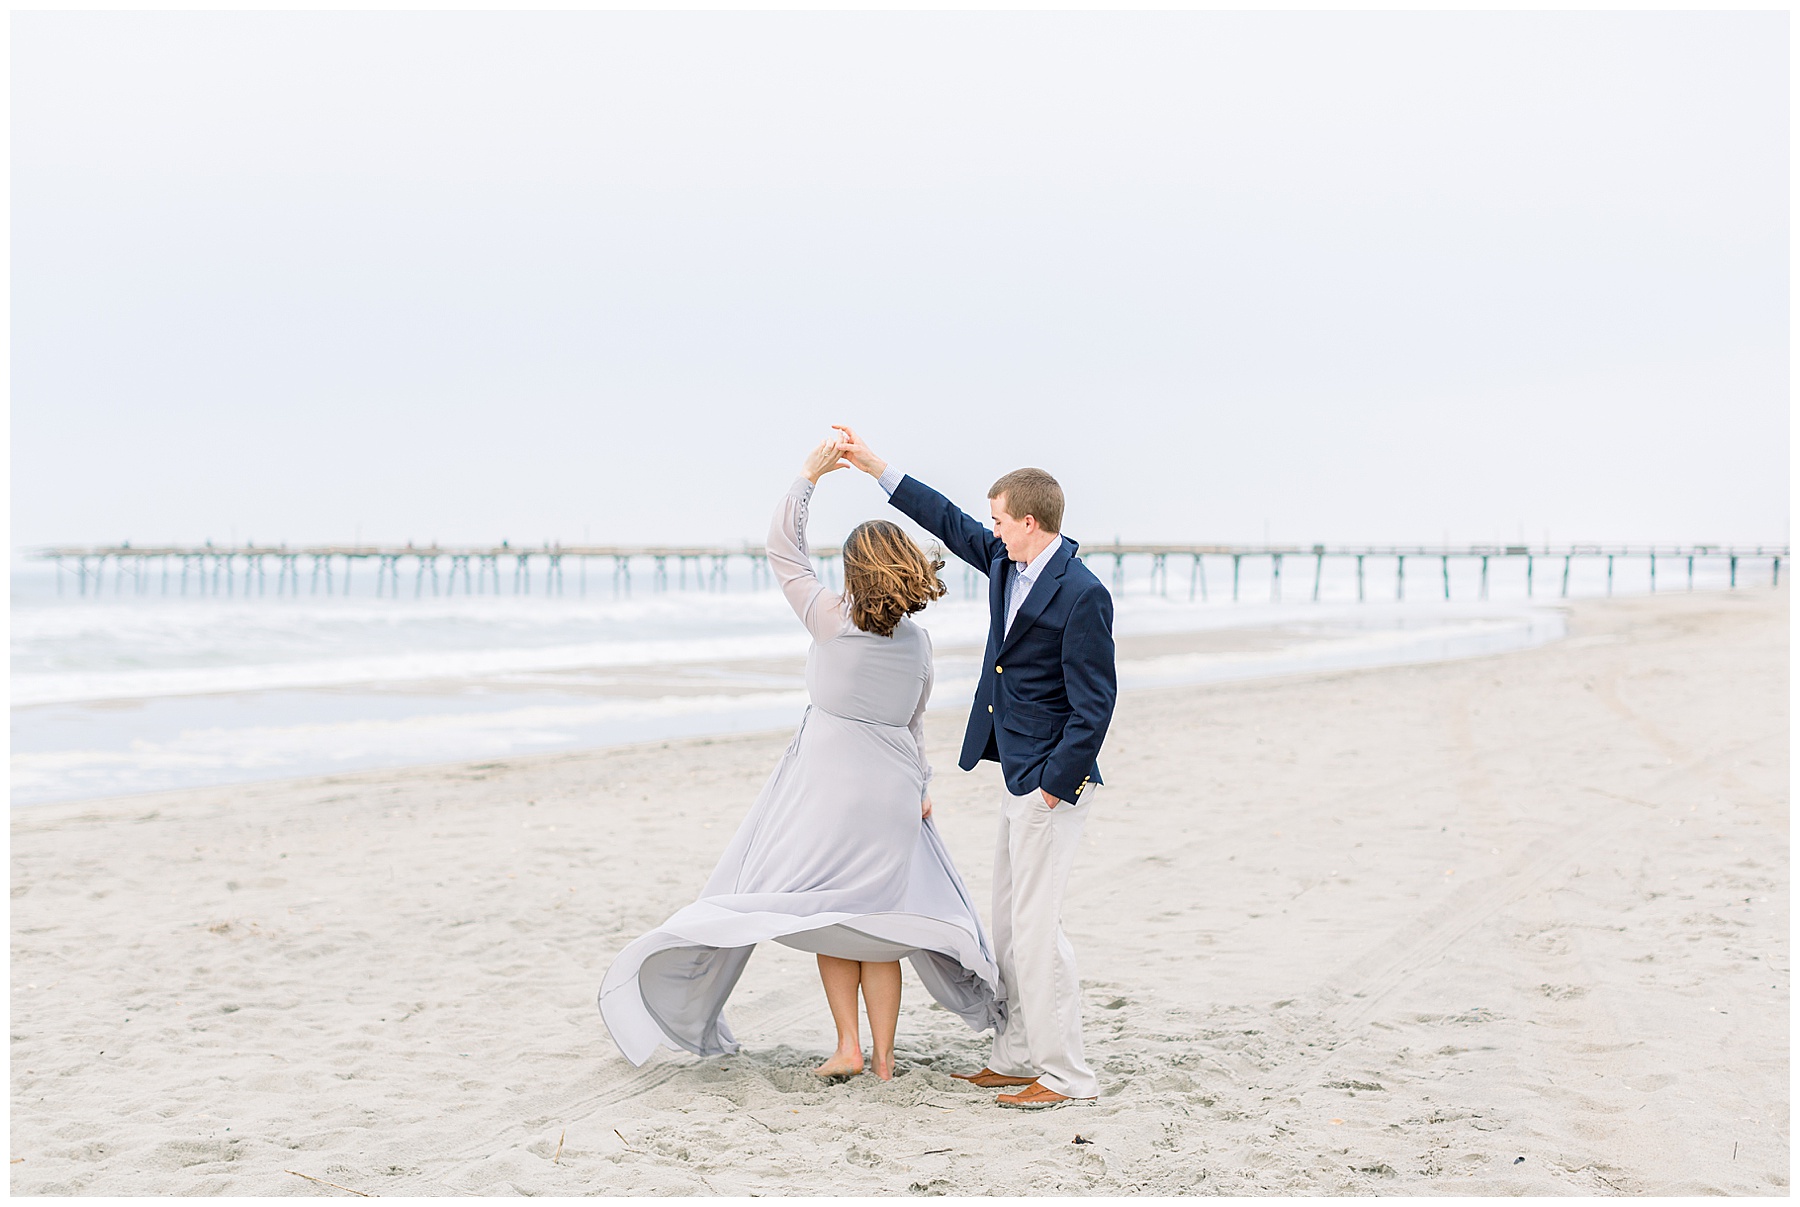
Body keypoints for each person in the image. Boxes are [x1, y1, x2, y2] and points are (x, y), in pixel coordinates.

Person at [598, 437, 1000, 1081]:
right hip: (893, 793)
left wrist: (809, 477)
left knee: (828, 914)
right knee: (877, 925)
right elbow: (916, 722)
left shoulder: (828, 617)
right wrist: (923, 784)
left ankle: (846, 1047)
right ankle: (885, 1061)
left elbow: (782, 549)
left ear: (852, 572)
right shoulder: (918, 643)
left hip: (827, 792)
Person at [833, 424, 1117, 1109]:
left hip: (1049, 782)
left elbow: (1096, 702)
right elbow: (946, 519)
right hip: (1014, 767)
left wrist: (1054, 785)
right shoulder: (1006, 562)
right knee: (1010, 921)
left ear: (1028, 520)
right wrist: (875, 465)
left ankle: (1066, 1073)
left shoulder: (1081, 592)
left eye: (998, 519)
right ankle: (1017, 1052)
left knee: (1040, 927)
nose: (989, 529)